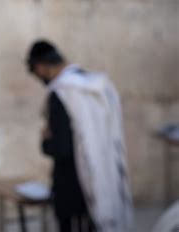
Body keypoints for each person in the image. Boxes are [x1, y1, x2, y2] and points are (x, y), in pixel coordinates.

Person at [26, 40, 133, 232]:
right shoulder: (100, 87)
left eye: (36, 72)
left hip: (72, 189)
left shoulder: (61, 94)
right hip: (104, 178)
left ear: (41, 66)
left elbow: (61, 148)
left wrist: (45, 141)